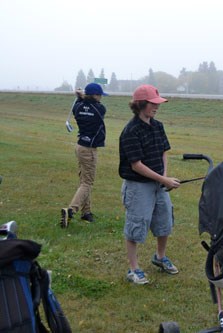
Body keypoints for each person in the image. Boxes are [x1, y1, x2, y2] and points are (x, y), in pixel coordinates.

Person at [119, 84, 181, 284]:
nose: (157, 107)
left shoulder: (158, 126)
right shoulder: (130, 131)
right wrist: (163, 179)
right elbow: (136, 165)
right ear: (140, 104)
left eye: (158, 103)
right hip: (138, 186)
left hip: (159, 183)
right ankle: (133, 269)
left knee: (164, 222)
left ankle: (160, 257)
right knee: (136, 225)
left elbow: (164, 151)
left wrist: (164, 176)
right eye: (153, 104)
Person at [60, 83, 108, 228]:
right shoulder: (100, 109)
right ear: (94, 95)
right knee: (87, 183)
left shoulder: (78, 107)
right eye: (99, 95)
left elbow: (80, 105)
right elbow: (98, 107)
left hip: (80, 146)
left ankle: (86, 212)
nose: (101, 98)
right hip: (89, 150)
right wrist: (82, 97)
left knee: (84, 181)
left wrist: (80, 98)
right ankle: (71, 210)